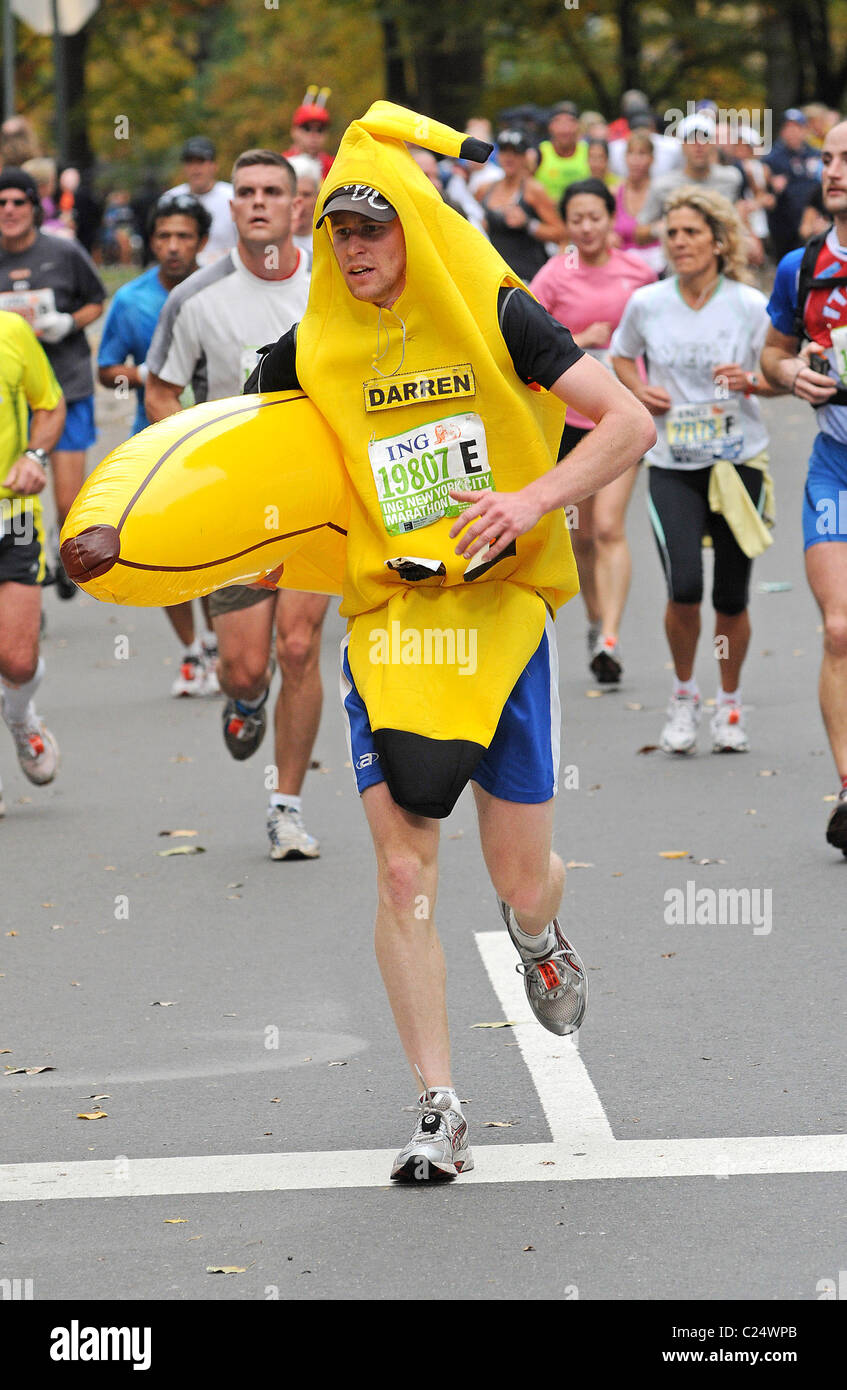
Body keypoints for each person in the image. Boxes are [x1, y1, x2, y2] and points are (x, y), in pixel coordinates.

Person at [249, 104, 655, 1181]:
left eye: (372, 229)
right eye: (336, 231)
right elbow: (242, 467)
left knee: (521, 875)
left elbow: (625, 425)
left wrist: (530, 500)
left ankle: (534, 935)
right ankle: (439, 1104)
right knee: (399, 872)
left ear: (416, 227)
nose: (353, 248)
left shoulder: (497, 310)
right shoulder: (307, 348)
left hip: (501, 616)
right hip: (390, 627)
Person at [145, 151, 327, 861]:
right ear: (232, 207)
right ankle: (244, 699)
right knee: (248, 666)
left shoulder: (332, 287)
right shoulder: (195, 298)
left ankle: (286, 807)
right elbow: (159, 389)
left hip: (316, 495)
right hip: (238, 504)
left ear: (295, 206)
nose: (257, 203)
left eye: (272, 192)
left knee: (300, 645)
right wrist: (195, 452)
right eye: (245, 192)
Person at [611, 187, 779, 756]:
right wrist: (639, 389)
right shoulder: (648, 302)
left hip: (737, 462)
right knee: (684, 585)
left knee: (731, 596)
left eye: (690, 233)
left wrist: (752, 380)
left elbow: (779, 374)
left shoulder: (749, 306)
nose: (678, 242)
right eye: (671, 233)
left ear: (718, 240)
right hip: (672, 464)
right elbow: (619, 355)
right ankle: (684, 695)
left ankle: (728, 702)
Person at [760, 119, 847, 853]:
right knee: (839, 627)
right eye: (827, 157)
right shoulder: (802, 264)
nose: (834, 169)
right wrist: (790, 374)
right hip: (835, 464)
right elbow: (770, 353)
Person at [531, 178, 656, 682]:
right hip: (569, 421)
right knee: (580, 536)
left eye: (595, 217)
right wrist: (581, 340)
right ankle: (594, 619)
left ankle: (611, 636)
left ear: (611, 218)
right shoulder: (553, 274)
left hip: (620, 418)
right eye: (576, 219)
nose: (586, 227)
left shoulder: (640, 272)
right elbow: (526, 341)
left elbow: (658, 336)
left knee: (607, 526)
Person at [97, 191, 218, 698]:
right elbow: (107, 370)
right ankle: (191, 650)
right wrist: (142, 374)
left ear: (202, 241)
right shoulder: (131, 300)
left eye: (184, 236)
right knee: (168, 550)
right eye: (164, 236)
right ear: (151, 242)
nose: (173, 246)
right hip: (154, 442)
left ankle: (217, 640)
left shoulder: (221, 292)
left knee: (215, 550)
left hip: (217, 441)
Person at [0, 166, 105, 599]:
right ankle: (23, 580)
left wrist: (68, 322)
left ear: (33, 207)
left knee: (67, 505)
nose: (8, 210)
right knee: (14, 499)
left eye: (18, 201)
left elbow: (97, 301)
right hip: (10, 396)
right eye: (1, 203)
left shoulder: (63, 253)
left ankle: (60, 562)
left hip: (65, 387)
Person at [0, 310, 66, 817]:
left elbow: (50, 405)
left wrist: (35, 457)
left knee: (18, 662)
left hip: (11, 515)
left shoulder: (11, 331)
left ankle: (21, 717)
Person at [481, 130, 564, 281]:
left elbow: (560, 233)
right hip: (497, 277)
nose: (509, 158)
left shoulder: (533, 190)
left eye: (515, 152)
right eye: (505, 151)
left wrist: (528, 224)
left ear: (525, 157)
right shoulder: (485, 189)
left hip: (529, 277)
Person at [638, 120, 743, 233]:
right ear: (682, 145)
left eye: (704, 138)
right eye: (691, 139)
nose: (698, 145)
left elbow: (739, 218)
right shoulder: (662, 185)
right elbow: (640, 232)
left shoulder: (731, 178)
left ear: (713, 144)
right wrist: (664, 227)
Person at [761, 110, 821, 261]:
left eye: (797, 127)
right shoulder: (772, 158)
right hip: (784, 224)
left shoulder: (815, 154)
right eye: (788, 127)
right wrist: (771, 184)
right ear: (782, 131)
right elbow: (762, 191)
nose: (792, 132)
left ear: (805, 130)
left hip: (812, 219)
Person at [166, 137, 236, 267]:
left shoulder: (233, 196)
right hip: (184, 273)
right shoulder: (170, 199)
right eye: (190, 162)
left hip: (226, 271)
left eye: (201, 162)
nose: (195, 169)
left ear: (214, 166)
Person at [610, 129, 664, 274]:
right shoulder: (614, 193)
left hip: (659, 269)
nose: (635, 160)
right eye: (631, 153)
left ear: (652, 158)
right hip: (621, 269)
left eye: (642, 153)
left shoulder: (662, 193)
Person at [532, 102, 590, 203]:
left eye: (570, 122)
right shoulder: (537, 154)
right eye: (559, 122)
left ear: (578, 126)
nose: (565, 129)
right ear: (550, 126)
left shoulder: (590, 152)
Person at [284, 99, 334, 180]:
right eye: (307, 128)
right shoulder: (282, 164)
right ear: (294, 131)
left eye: (320, 130)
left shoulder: (334, 168)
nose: (314, 135)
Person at [286, 154, 323, 254]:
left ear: (317, 196)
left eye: (306, 195)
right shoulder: (269, 240)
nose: (299, 202)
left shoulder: (329, 239)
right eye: (293, 194)